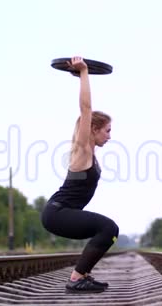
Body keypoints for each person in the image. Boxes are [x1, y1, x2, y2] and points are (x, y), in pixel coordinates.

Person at [41, 56, 118, 293]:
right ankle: (76, 279)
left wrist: (82, 75)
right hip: (57, 213)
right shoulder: (82, 151)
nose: (110, 136)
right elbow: (86, 109)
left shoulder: (90, 154)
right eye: (107, 130)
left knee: (107, 230)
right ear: (93, 130)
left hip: (63, 213)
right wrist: (84, 73)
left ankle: (83, 275)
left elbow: (87, 115)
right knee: (109, 228)